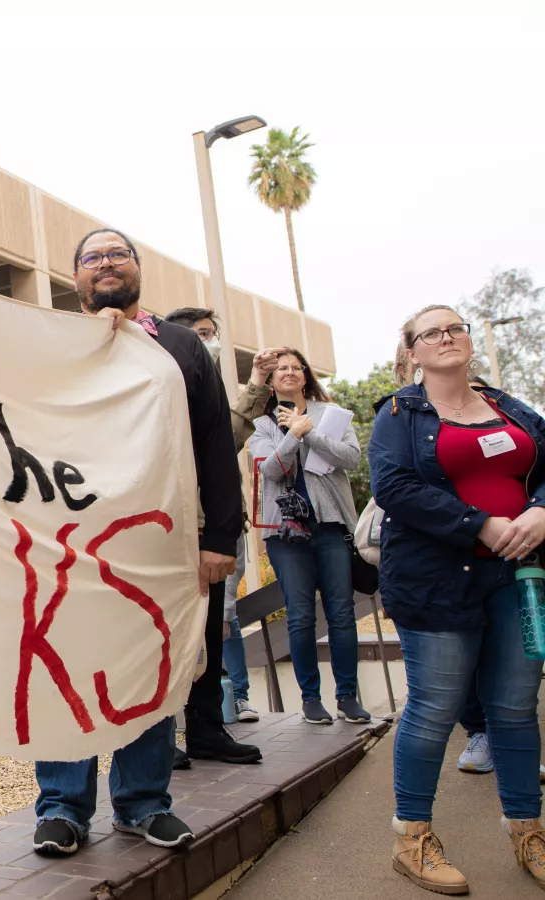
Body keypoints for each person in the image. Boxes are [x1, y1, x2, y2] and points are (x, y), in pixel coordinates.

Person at [31, 230, 243, 855]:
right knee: (62, 665)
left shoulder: (179, 346)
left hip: (161, 539)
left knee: (149, 662)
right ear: (75, 277)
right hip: (67, 537)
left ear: (137, 270)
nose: (105, 264)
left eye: (117, 254)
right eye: (92, 257)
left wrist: (220, 536)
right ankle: (62, 808)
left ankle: (144, 802)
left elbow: (213, 445)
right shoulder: (47, 343)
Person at [370, 304, 545, 893]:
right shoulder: (398, 413)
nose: (446, 337)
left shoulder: (510, 407)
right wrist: (481, 525)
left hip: (519, 577)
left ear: (468, 340)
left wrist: (541, 511)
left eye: (455, 328)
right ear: (412, 352)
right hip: (437, 580)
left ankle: (528, 831)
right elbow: (393, 486)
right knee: (435, 707)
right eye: (430, 333)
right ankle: (412, 838)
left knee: (516, 708)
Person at [164, 307, 286, 735]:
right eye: (200, 335)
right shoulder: (165, 390)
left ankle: (208, 727)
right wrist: (254, 387)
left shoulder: (209, 386)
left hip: (218, 529)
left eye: (212, 333)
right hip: (181, 531)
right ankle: (172, 732)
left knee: (218, 624)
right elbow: (228, 435)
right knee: (180, 635)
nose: (209, 342)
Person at [249, 349, 370, 727]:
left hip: (331, 526)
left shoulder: (330, 415)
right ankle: (310, 699)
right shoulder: (262, 424)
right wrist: (291, 436)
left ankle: (348, 697)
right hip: (285, 534)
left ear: (305, 375)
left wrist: (310, 431)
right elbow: (271, 471)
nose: (288, 372)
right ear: (271, 380)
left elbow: (351, 458)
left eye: (295, 367)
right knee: (300, 616)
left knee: (341, 612)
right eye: (280, 368)